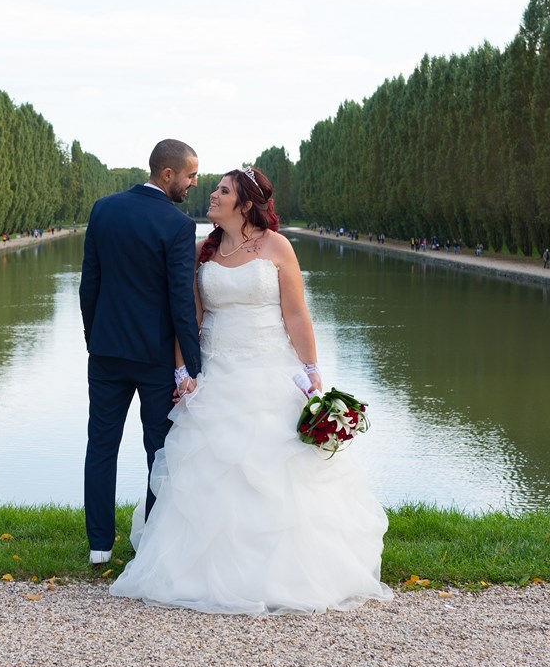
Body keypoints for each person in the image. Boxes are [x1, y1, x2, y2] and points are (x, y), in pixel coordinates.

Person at [110, 166, 393, 616]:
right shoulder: (202, 251)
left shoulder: (277, 247)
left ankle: (288, 571)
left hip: (269, 370)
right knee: (207, 467)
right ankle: (197, 571)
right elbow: (190, 319)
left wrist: (311, 370)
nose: (212, 194)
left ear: (244, 204)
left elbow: (296, 314)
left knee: (280, 468)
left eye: (222, 190)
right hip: (216, 373)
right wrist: (182, 373)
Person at [79, 139, 202, 566]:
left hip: (106, 352)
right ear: (167, 174)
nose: (193, 183)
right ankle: (151, 541)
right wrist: (192, 366)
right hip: (155, 359)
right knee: (158, 451)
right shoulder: (178, 226)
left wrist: (94, 338)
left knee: (101, 446)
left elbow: (89, 285)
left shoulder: (103, 210)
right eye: (190, 175)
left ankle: (99, 547)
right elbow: (181, 303)